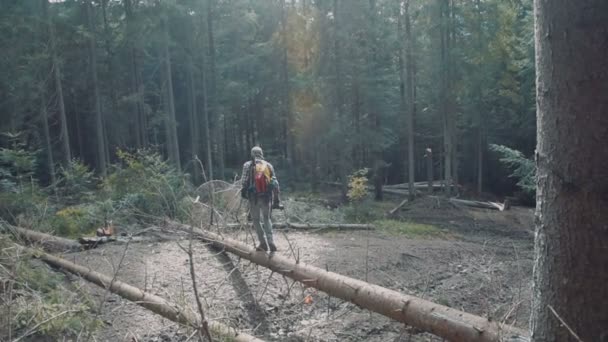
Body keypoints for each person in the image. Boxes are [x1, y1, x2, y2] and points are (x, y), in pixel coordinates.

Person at [240, 146, 280, 252]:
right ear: (262, 153)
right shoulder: (268, 165)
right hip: (267, 197)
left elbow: (243, 182)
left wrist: (244, 193)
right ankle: (271, 242)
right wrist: (277, 199)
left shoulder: (247, 165)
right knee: (267, 219)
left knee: (256, 220)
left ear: (252, 154)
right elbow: (275, 183)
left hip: (254, 198)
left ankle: (262, 243)